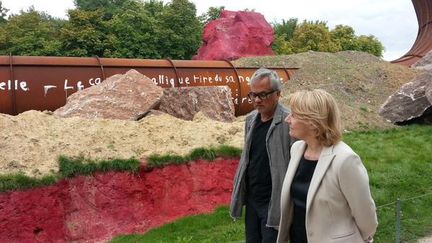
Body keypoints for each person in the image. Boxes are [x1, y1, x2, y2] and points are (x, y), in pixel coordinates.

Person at [277, 89, 378, 243]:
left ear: (313, 122)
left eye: (294, 115)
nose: (287, 119)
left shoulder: (345, 160)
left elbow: (367, 218)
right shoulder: (296, 149)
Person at [230, 67, 293, 243]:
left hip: (273, 201)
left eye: (263, 95)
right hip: (253, 199)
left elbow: (297, 165)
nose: (257, 100)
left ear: (278, 94)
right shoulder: (251, 120)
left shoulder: (289, 122)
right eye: (253, 95)